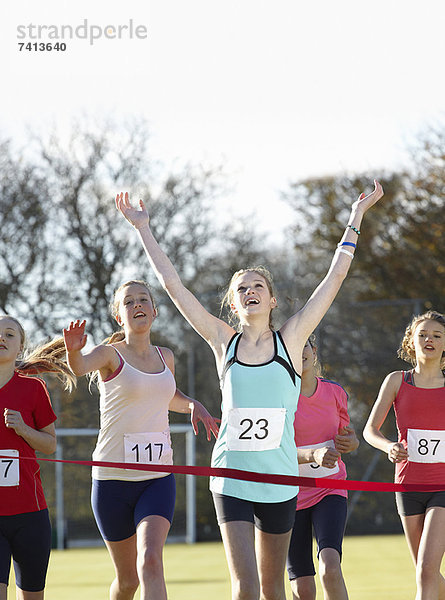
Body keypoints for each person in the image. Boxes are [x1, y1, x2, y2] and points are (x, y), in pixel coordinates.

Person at [116, 180, 384, 600]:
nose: (250, 292)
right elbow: (173, 286)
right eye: (242, 289)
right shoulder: (224, 341)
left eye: (258, 286)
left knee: (274, 590)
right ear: (234, 303)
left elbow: (336, 276)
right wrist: (142, 229)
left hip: (280, 480)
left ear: (273, 300)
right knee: (246, 589)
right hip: (231, 477)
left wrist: (356, 216)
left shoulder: (292, 340)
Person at [63, 280, 218, 600]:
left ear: (154, 310)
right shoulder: (109, 354)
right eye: (129, 302)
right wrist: (73, 351)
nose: (137, 305)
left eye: (143, 300)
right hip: (111, 481)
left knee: (150, 560)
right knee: (128, 581)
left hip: (157, 479)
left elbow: (167, 395)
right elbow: (79, 368)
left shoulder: (167, 356)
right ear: (120, 317)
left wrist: (193, 404)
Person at [363, 310, 445, 600]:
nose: (429, 340)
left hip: (442, 488)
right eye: (422, 334)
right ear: (412, 340)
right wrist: (389, 447)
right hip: (407, 485)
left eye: (437, 335)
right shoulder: (397, 381)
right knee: (427, 573)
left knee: (425, 571)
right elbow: (370, 430)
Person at [0, 315, 75, 600]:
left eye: (10, 334)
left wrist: (23, 429)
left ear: (20, 347)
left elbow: (50, 445)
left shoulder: (33, 388)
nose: (2, 338)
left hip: (29, 515)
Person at [288, 335, 358, 600]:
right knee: (302, 587)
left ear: (313, 351)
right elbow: (273, 453)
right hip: (289, 497)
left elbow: (349, 438)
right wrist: (312, 455)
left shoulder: (335, 392)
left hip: (330, 490)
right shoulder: (280, 396)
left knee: (330, 566)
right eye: (292, 347)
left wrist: (352, 443)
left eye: (304, 345)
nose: (300, 351)